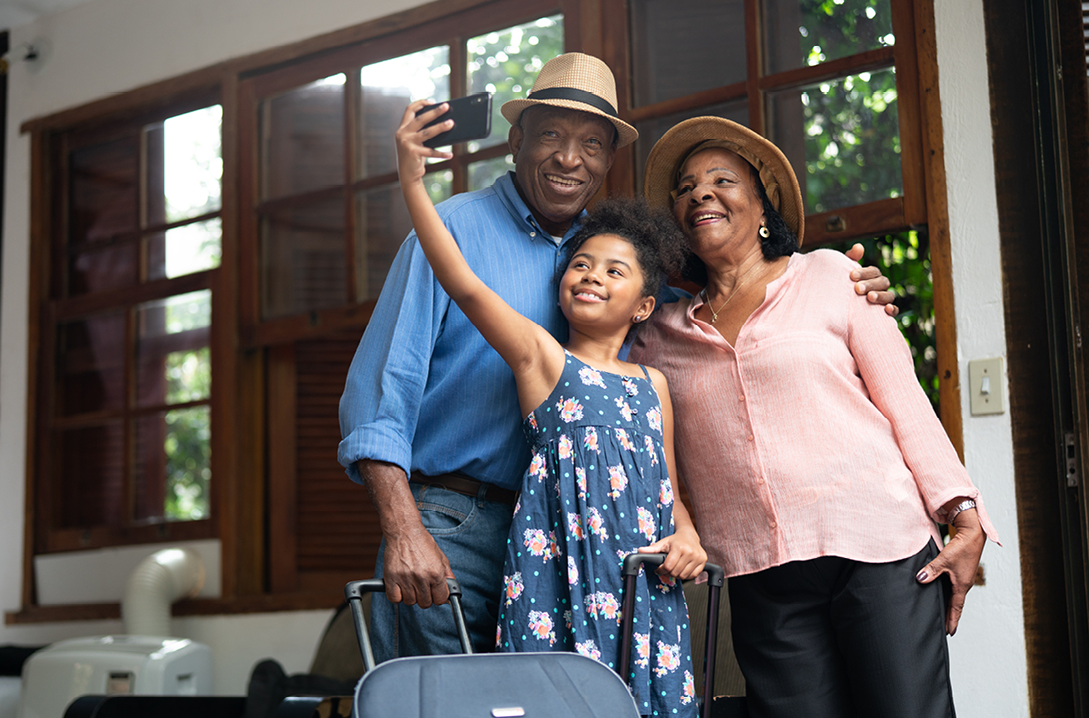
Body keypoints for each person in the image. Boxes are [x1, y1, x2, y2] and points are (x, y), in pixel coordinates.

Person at [336, 52, 895, 662]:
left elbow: (732, 291)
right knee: (442, 700)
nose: (570, 158)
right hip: (456, 522)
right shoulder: (450, 235)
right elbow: (378, 395)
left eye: (592, 145)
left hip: (578, 540)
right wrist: (404, 527)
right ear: (516, 140)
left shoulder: (620, 263)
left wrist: (837, 282)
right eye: (550, 134)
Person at [630, 115, 1001, 718]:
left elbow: (904, 403)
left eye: (722, 179)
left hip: (878, 549)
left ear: (762, 207)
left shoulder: (831, 275)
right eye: (685, 187)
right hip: (758, 572)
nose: (700, 193)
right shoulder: (656, 334)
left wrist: (964, 515)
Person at [395, 96, 705, 716]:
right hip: (559, 580)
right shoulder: (544, 358)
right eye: (582, 264)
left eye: (616, 271)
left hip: (642, 590)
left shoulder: (654, 385)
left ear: (647, 304)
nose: (591, 275)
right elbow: (462, 280)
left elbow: (669, 485)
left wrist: (689, 535)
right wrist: (409, 179)